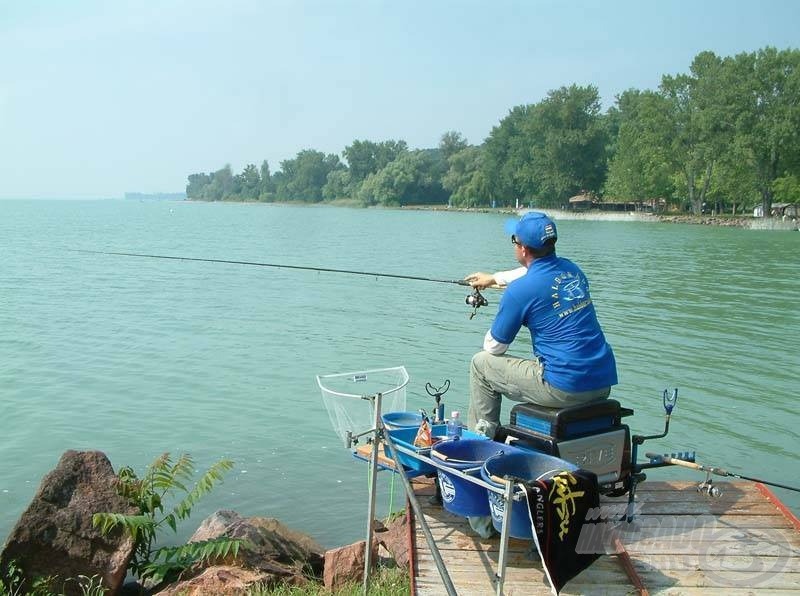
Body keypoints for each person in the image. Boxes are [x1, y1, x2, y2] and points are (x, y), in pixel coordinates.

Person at [465, 211, 617, 439]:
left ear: (523, 249)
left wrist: (509, 307)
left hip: (564, 387)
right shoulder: (572, 270)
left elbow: (494, 347)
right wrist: (495, 279)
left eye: (514, 241)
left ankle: (480, 442)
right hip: (602, 381)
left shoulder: (519, 291)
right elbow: (537, 273)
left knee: (480, 364)